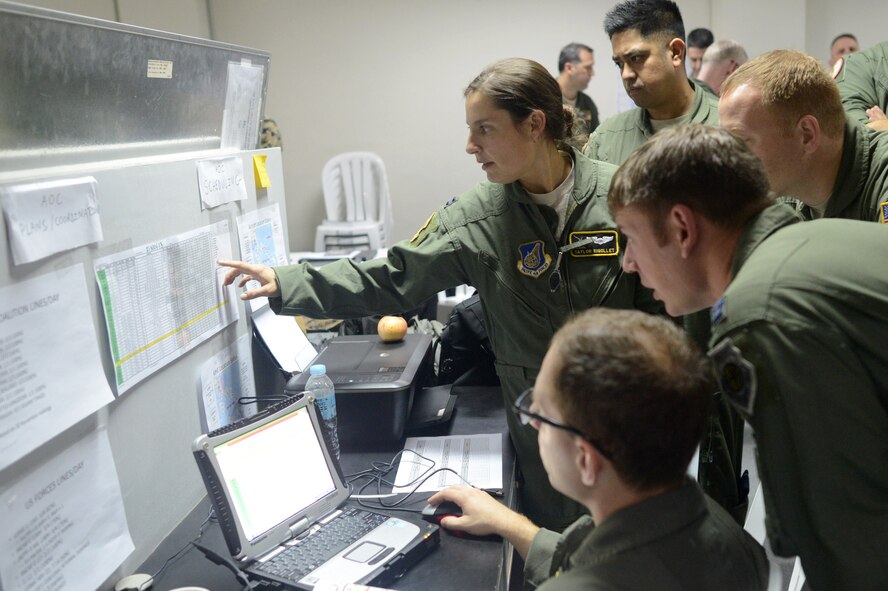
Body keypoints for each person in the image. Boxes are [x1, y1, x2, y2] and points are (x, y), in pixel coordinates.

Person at [219, 58, 660, 532]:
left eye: (484, 130)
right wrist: (290, 282)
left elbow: (669, 312)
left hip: (632, 433)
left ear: (534, 124)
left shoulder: (624, 196)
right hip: (543, 447)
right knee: (556, 559)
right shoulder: (477, 220)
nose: (470, 146)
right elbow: (391, 277)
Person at [608, 123, 888, 591]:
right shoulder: (818, 243)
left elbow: (846, 531)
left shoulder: (759, 312)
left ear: (681, 227)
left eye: (631, 238)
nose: (628, 263)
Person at [429, 309, 769, 591]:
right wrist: (510, 524)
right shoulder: (734, 541)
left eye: (541, 413)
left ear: (586, 460)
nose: (532, 423)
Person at [584, 0, 747, 526]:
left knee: (716, 501)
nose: (627, 75)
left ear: (677, 52)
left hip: (716, 344)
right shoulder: (607, 140)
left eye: (637, 59)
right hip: (639, 347)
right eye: (618, 65)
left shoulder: (728, 126)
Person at [719, 49, 888, 222]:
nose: (729, 158)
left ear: (806, 135)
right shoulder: (782, 187)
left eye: (740, 140)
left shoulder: (882, 175)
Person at [835, 40, 888, 132]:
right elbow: (858, 130)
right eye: (841, 51)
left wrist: (884, 126)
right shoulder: (860, 65)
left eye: (851, 48)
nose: (847, 52)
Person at [556, 43, 600, 135]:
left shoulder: (587, 104)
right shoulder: (544, 98)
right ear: (569, 68)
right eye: (588, 67)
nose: (592, 73)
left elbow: (596, 139)